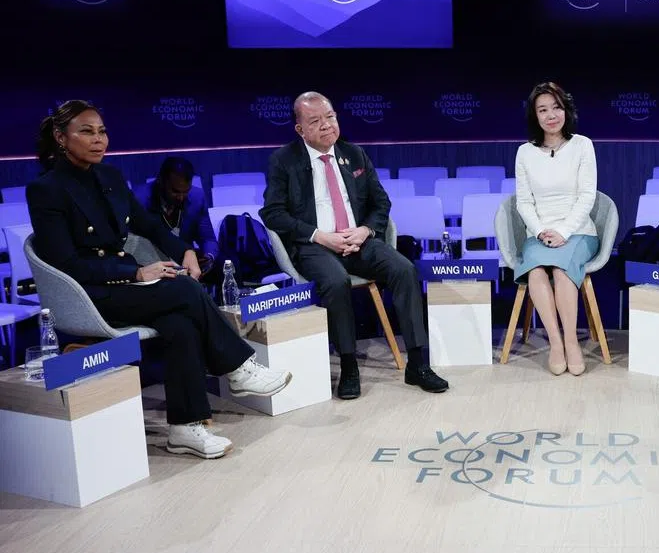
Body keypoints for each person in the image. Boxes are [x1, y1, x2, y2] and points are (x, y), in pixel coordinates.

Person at [28, 101, 292, 459]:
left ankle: (185, 428)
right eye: (86, 132)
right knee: (184, 289)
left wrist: (185, 250)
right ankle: (238, 367)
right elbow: (67, 264)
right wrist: (135, 272)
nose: (98, 139)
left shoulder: (110, 177)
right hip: (89, 294)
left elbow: (149, 225)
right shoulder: (46, 190)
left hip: (124, 287)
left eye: (102, 131)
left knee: (180, 323)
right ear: (61, 138)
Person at [260, 91, 448, 400]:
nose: (326, 125)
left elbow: (381, 203)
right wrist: (319, 235)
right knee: (336, 282)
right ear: (300, 129)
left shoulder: (354, 154)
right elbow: (272, 213)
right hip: (315, 245)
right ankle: (349, 366)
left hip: (358, 241)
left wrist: (365, 230)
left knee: (404, 269)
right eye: (315, 121)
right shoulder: (284, 160)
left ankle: (418, 363)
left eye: (330, 117)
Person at [513, 82, 599, 376]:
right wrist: (540, 231)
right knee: (536, 271)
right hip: (539, 233)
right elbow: (524, 202)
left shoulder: (582, 145)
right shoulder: (524, 153)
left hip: (578, 231)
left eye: (556, 108)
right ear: (534, 116)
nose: (551, 115)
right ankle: (556, 343)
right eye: (543, 110)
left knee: (562, 271)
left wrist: (564, 231)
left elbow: (587, 196)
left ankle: (572, 341)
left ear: (566, 110)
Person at [136, 157, 220, 284]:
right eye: (175, 191)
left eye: (186, 191)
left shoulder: (197, 197)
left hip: (186, 258)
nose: (181, 197)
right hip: (152, 261)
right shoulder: (139, 199)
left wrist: (209, 257)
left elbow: (208, 239)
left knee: (226, 263)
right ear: (160, 181)